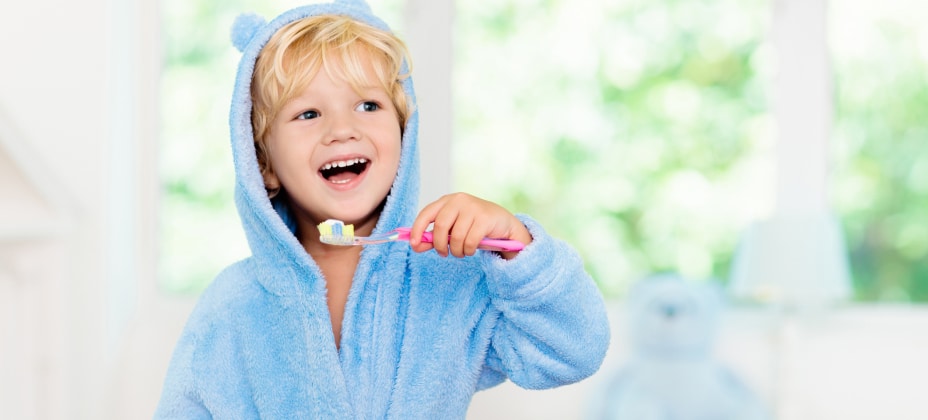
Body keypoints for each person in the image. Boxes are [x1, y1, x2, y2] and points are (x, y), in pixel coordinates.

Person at [155, 0, 610, 418]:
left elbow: (574, 349)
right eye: (308, 114)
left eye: (368, 104)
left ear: (404, 134)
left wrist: (518, 251)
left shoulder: (447, 276)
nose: (342, 129)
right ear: (264, 165)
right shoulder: (232, 305)